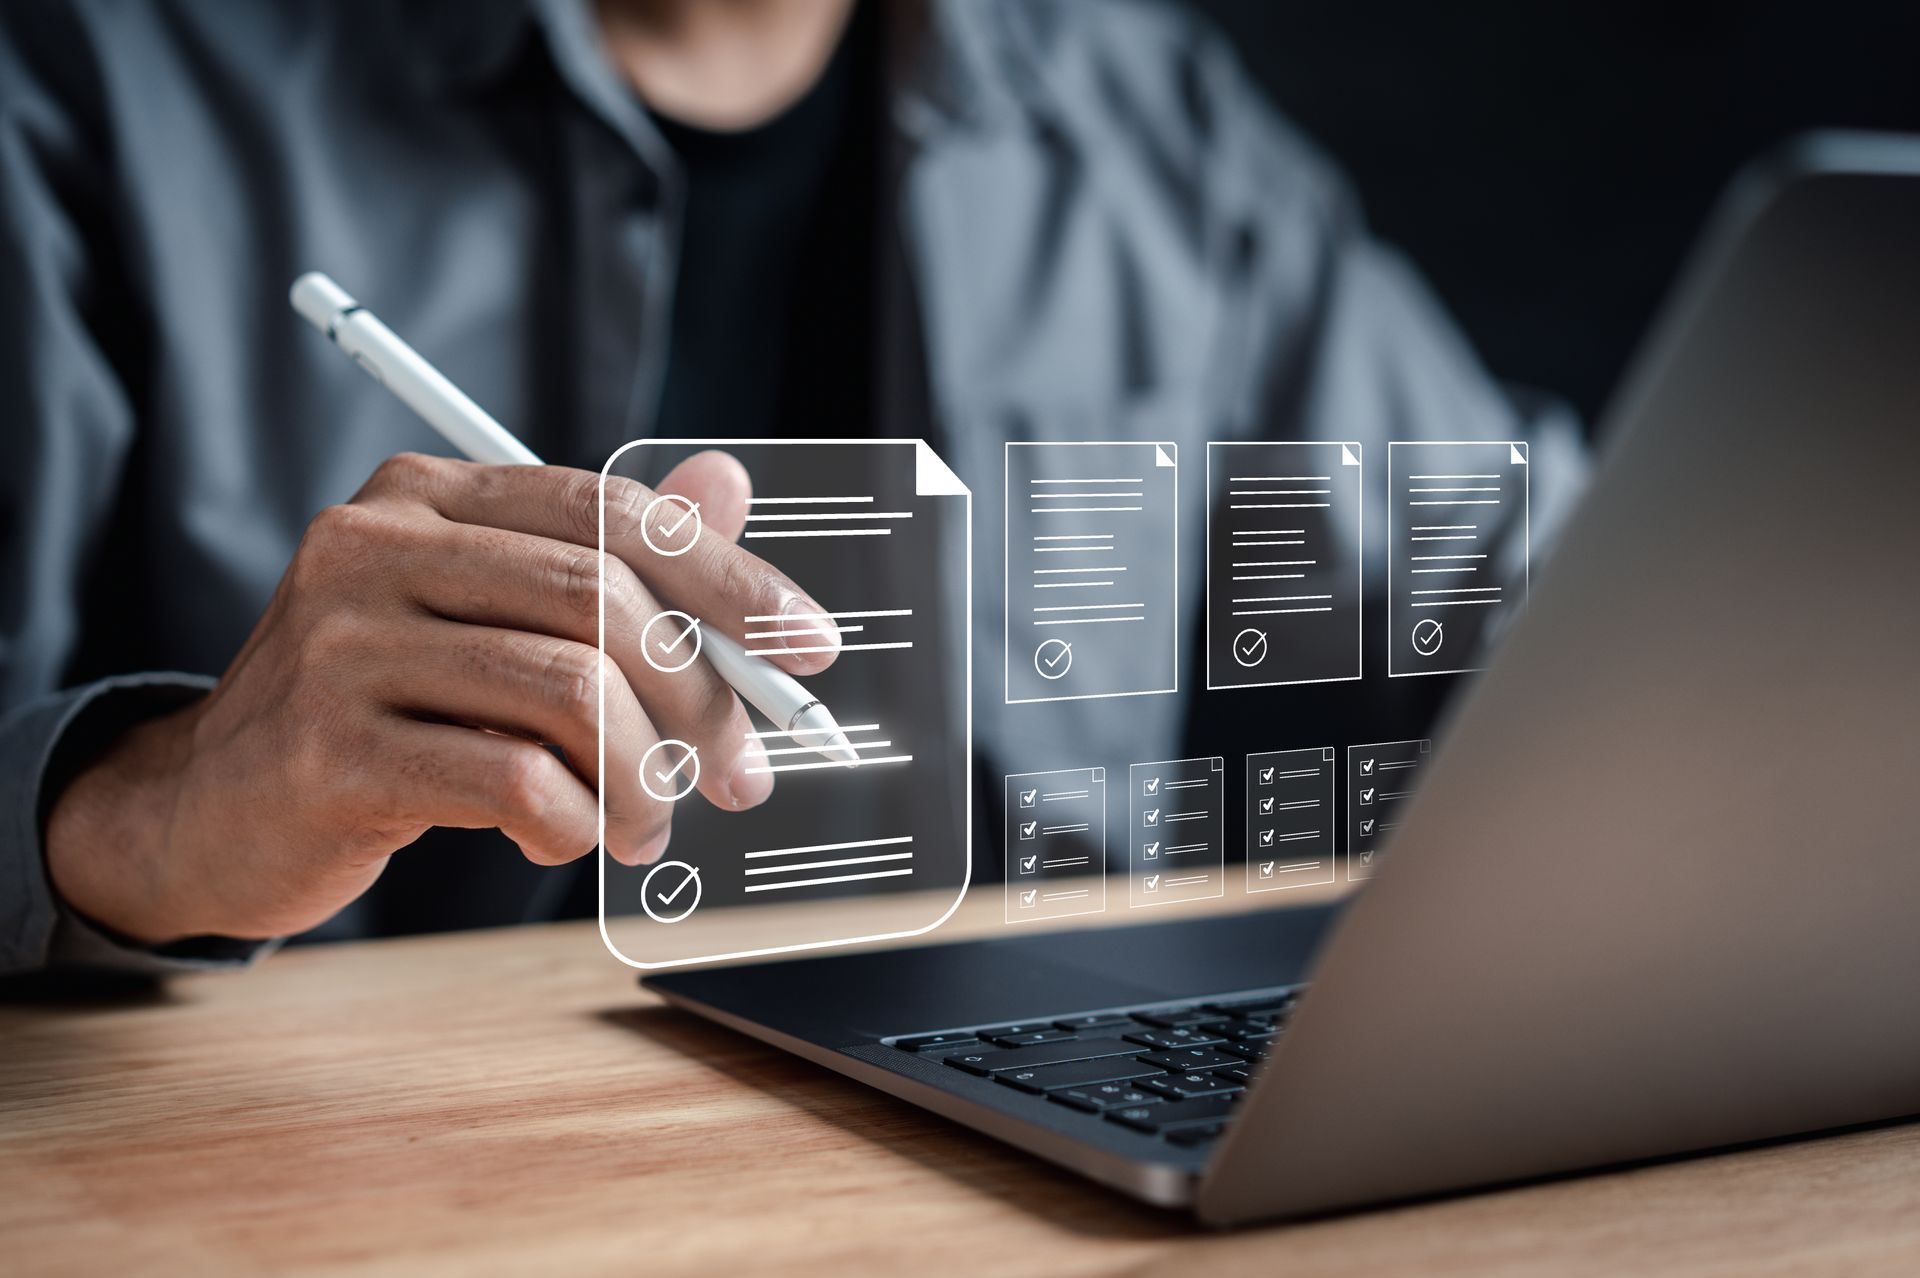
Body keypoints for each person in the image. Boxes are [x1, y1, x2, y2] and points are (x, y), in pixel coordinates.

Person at [0, 0, 1585, 977]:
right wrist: (153, 814)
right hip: (351, 1162)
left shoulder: (1143, 115)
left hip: (1011, 1141)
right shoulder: (100, 82)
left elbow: (1551, 575)